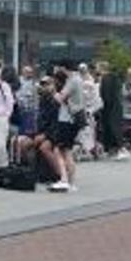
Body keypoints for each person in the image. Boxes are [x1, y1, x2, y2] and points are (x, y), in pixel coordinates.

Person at [49, 63, 84, 193]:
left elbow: (60, 99)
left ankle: (64, 180)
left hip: (67, 119)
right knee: (66, 150)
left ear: (64, 68)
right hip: (73, 119)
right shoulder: (79, 79)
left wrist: (53, 91)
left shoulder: (72, 81)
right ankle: (71, 182)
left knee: (60, 149)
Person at [97, 62, 127, 160]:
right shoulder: (114, 77)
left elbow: (106, 95)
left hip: (110, 107)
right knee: (112, 127)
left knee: (113, 127)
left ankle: (120, 149)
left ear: (102, 68)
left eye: (98, 67)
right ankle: (113, 150)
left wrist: (104, 105)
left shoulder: (106, 79)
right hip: (116, 105)